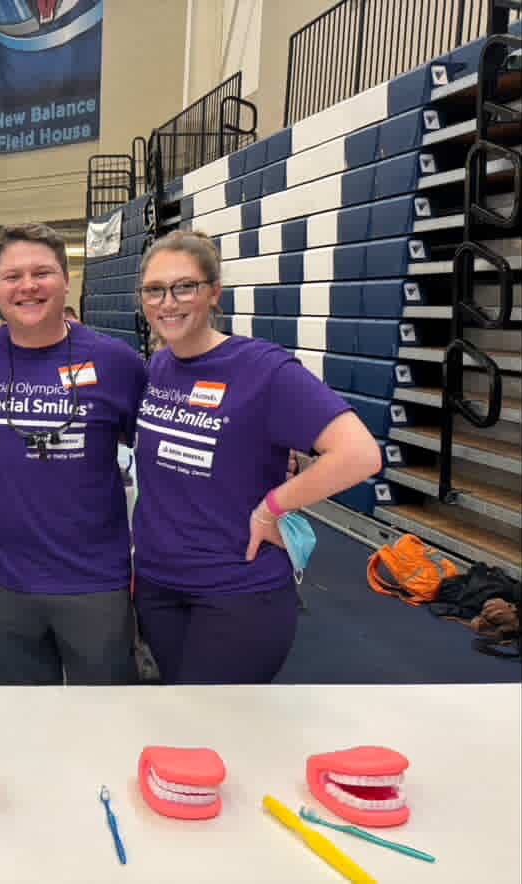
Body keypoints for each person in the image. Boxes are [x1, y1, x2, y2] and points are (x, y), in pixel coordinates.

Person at [132, 230, 382, 684]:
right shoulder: (158, 368)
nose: (168, 302)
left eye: (185, 286)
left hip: (237, 592)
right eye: (155, 289)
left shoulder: (262, 369)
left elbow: (360, 454)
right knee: (181, 721)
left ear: (214, 294)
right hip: (159, 586)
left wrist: (274, 508)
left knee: (215, 730)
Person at [0, 224, 146, 685]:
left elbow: (161, 445)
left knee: (104, 724)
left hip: (94, 583)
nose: (27, 286)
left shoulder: (116, 362)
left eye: (42, 272)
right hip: (4, 583)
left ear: (66, 280)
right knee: (23, 727)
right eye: (12, 276)